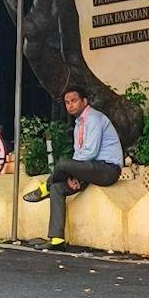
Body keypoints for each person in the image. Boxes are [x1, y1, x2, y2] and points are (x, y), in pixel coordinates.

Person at [23, 83, 123, 248]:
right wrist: (74, 175)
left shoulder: (94, 119)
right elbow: (79, 155)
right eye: (67, 102)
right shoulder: (79, 124)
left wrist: (73, 170)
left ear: (84, 101)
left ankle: (45, 187)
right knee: (57, 188)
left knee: (62, 163)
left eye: (74, 101)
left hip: (107, 169)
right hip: (90, 170)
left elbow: (90, 151)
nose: (70, 105)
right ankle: (57, 239)